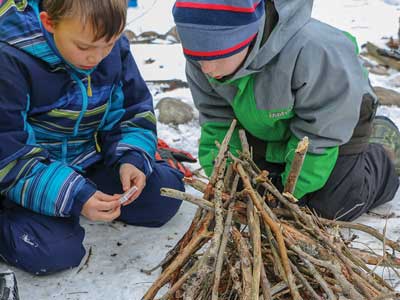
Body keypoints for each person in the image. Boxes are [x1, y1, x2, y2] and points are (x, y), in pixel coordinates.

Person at [0, 0, 185, 275]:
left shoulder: (110, 47)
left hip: (87, 159)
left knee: (164, 194)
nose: (96, 58)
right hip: (21, 177)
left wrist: (131, 157)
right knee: (54, 250)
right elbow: (9, 153)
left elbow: (133, 111)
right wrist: (75, 195)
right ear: (49, 23)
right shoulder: (11, 60)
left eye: (108, 45)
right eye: (84, 47)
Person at [172, 0, 400, 221]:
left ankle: (382, 150)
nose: (207, 69)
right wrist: (225, 182)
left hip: (339, 119)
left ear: (245, 38)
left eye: (215, 57)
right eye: (197, 58)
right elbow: (217, 120)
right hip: (268, 123)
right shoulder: (203, 61)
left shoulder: (314, 50)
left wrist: (290, 193)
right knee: (252, 192)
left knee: (331, 205)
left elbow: (319, 134)